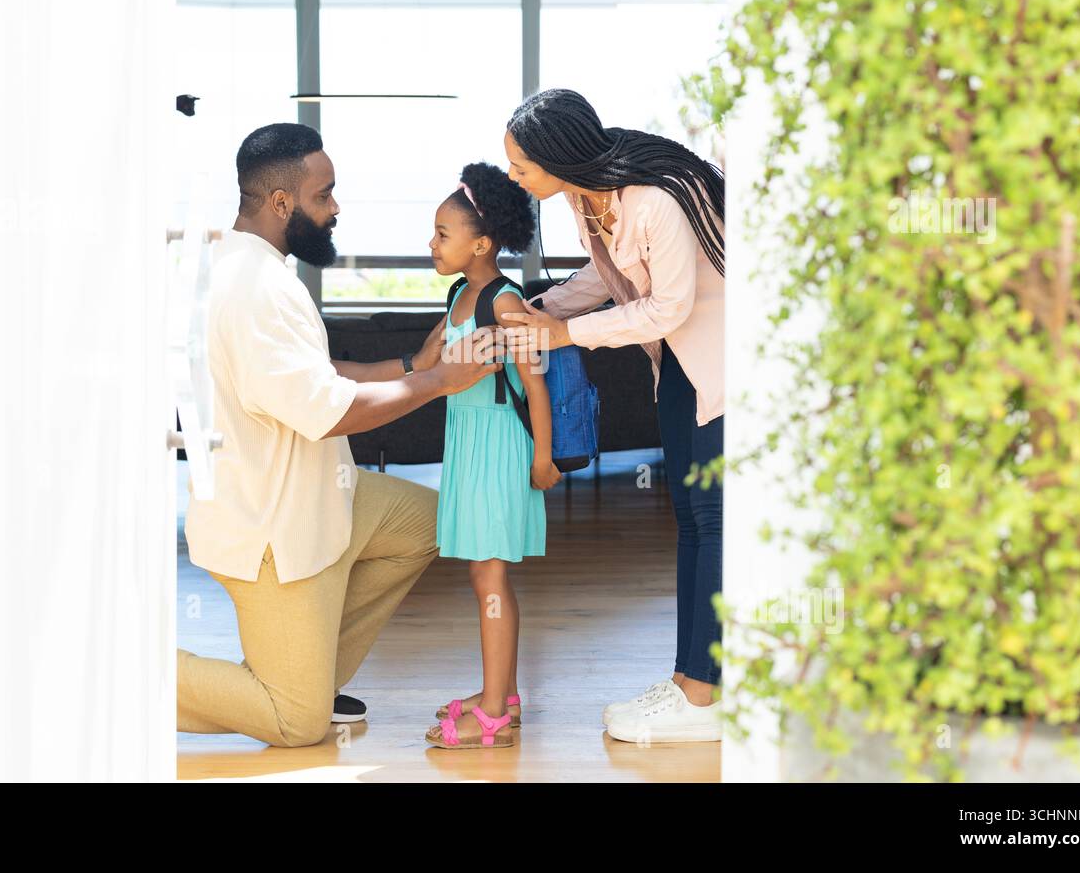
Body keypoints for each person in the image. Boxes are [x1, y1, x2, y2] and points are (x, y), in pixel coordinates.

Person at [176, 123, 503, 748]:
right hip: (272, 529)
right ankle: (137, 673)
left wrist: (413, 365)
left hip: (325, 493)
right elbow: (328, 411)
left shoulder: (259, 268)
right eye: (324, 195)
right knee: (294, 724)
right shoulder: (253, 290)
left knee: (436, 522)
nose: (335, 209)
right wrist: (439, 383)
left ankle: (307, 671)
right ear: (280, 203)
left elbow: (320, 374)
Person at [499, 89, 726, 743]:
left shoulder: (652, 201)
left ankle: (704, 696)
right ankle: (688, 680)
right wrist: (545, 308)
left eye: (520, 165)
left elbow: (668, 307)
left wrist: (562, 337)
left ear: (553, 156)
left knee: (711, 519)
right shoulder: (587, 200)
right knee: (689, 517)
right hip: (679, 366)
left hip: (717, 362)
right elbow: (602, 278)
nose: (515, 176)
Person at [422, 162, 558, 749]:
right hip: (467, 444)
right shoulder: (459, 294)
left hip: (500, 445)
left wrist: (544, 460)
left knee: (491, 576)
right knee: (487, 575)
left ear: (481, 243)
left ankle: (495, 713)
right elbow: (427, 363)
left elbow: (536, 385)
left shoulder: (504, 302)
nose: (432, 243)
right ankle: (502, 692)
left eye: (442, 234)